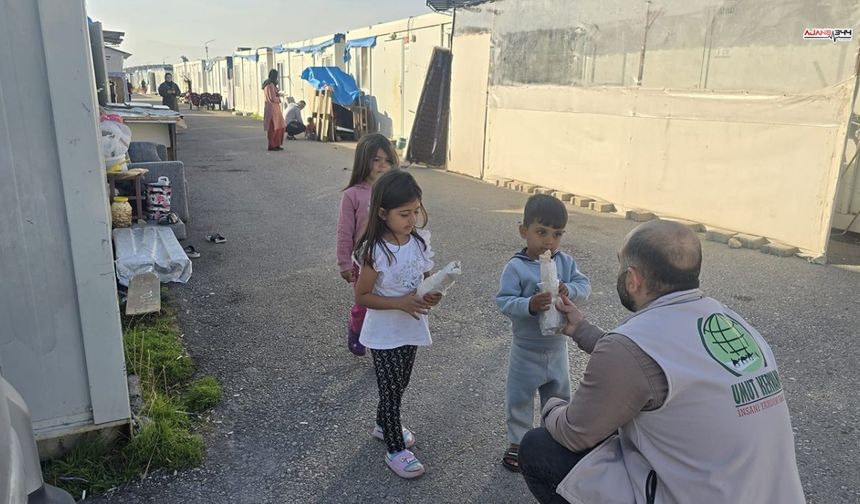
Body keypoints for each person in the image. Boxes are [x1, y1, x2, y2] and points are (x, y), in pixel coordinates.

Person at [518, 220, 806, 504]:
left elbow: (573, 433)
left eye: (620, 266)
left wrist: (552, 405)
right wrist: (582, 330)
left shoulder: (630, 347)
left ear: (633, 279)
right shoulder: (730, 321)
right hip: (763, 492)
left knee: (538, 448)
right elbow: (645, 365)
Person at [354, 169, 443, 479]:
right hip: (384, 332)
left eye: (415, 211)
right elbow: (363, 295)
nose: (411, 219)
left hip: (411, 326)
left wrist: (432, 293)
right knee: (390, 389)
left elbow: (425, 278)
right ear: (382, 213)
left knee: (400, 383)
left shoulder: (418, 242)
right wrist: (400, 303)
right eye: (404, 213)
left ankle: (383, 424)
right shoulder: (376, 250)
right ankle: (395, 449)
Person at [496, 194, 592, 473]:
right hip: (526, 348)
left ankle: (553, 437)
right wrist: (528, 304)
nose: (549, 241)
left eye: (557, 234)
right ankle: (518, 441)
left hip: (557, 346)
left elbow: (583, 285)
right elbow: (504, 301)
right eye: (541, 232)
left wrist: (568, 289)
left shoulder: (565, 263)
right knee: (520, 397)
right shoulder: (515, 267)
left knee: (559, 396)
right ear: (523, 231)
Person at [336, 134, 397, 356]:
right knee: (365, 305)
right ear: (364, 160)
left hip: (391, 259)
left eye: (388, 160)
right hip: (363, 262)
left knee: (387, 303)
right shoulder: (352, 195)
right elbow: (344, 231)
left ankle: (382, 343)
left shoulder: (394, 191)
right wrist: (344, 264)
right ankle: (356, 328)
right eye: (376, 160)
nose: (383, 165)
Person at [262, 69, 285, 151]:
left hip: (275, 109)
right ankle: (272, 145)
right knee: (273, 128)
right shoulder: (269, 85)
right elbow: (272, 98)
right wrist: (279, 98)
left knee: (279, 127)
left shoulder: (272, 84)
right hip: (272, 109)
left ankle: (277, 144)